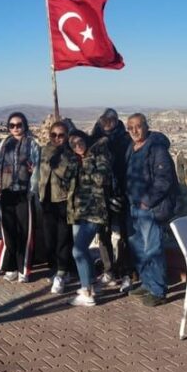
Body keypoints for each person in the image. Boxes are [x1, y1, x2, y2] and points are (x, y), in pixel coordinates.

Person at [125, 113, 179, 307]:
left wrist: (147, 202)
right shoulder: (132, 148)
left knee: (152, 248)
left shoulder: (156, 148)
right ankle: (147, 283)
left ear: (146, 126)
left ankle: (158, 290)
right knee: (139, 248)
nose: (134, 130)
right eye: (130, 127)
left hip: (151, 209)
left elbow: (164, 179)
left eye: (138, 126)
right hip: (134, 207)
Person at [65, 130, 113, 306]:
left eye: (79, 141)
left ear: (85, 140)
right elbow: (66, 183)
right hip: (77, 211)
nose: (77, 146)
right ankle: (90, 284)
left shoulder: (98, 156)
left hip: (94, 211)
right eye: (72, 144)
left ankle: (86, 293)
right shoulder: (74, 159)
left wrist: (86, 163)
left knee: (78, 250)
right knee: (82, 250)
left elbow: (102, 179)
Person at [90, 108, 133, 293]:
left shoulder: (125, 139)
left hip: (122, 191)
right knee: (103, 233)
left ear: (117, 121)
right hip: (100, 193)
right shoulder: (94, 139)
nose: (108, 123)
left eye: (112, 119)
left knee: (124, 234)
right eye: (104, 120)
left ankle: (125, 273)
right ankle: (108, 271)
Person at [0, 112, 40, 283]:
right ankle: (11, 266)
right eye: (12, 125)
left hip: (23, 193)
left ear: (25, 125)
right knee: (8, 232)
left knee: (24, 232)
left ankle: (24, 268)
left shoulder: (32, 144)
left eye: (19, 125)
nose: (15, 128)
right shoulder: (4, 143)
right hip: (6, 192)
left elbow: (36, 169)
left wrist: (32, 190)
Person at [35, 121, 77, 294]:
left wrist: (56, 165)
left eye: (61, 135)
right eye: (54, 135)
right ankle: (55, 268)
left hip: (62, 200)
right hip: (46, 199)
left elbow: (68, 175)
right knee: (49, 238)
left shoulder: (71, 154)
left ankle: (62, 271)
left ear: (66, 136)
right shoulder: (44, 151)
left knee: (63, 238)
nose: (57, 138)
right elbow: (39, 172)